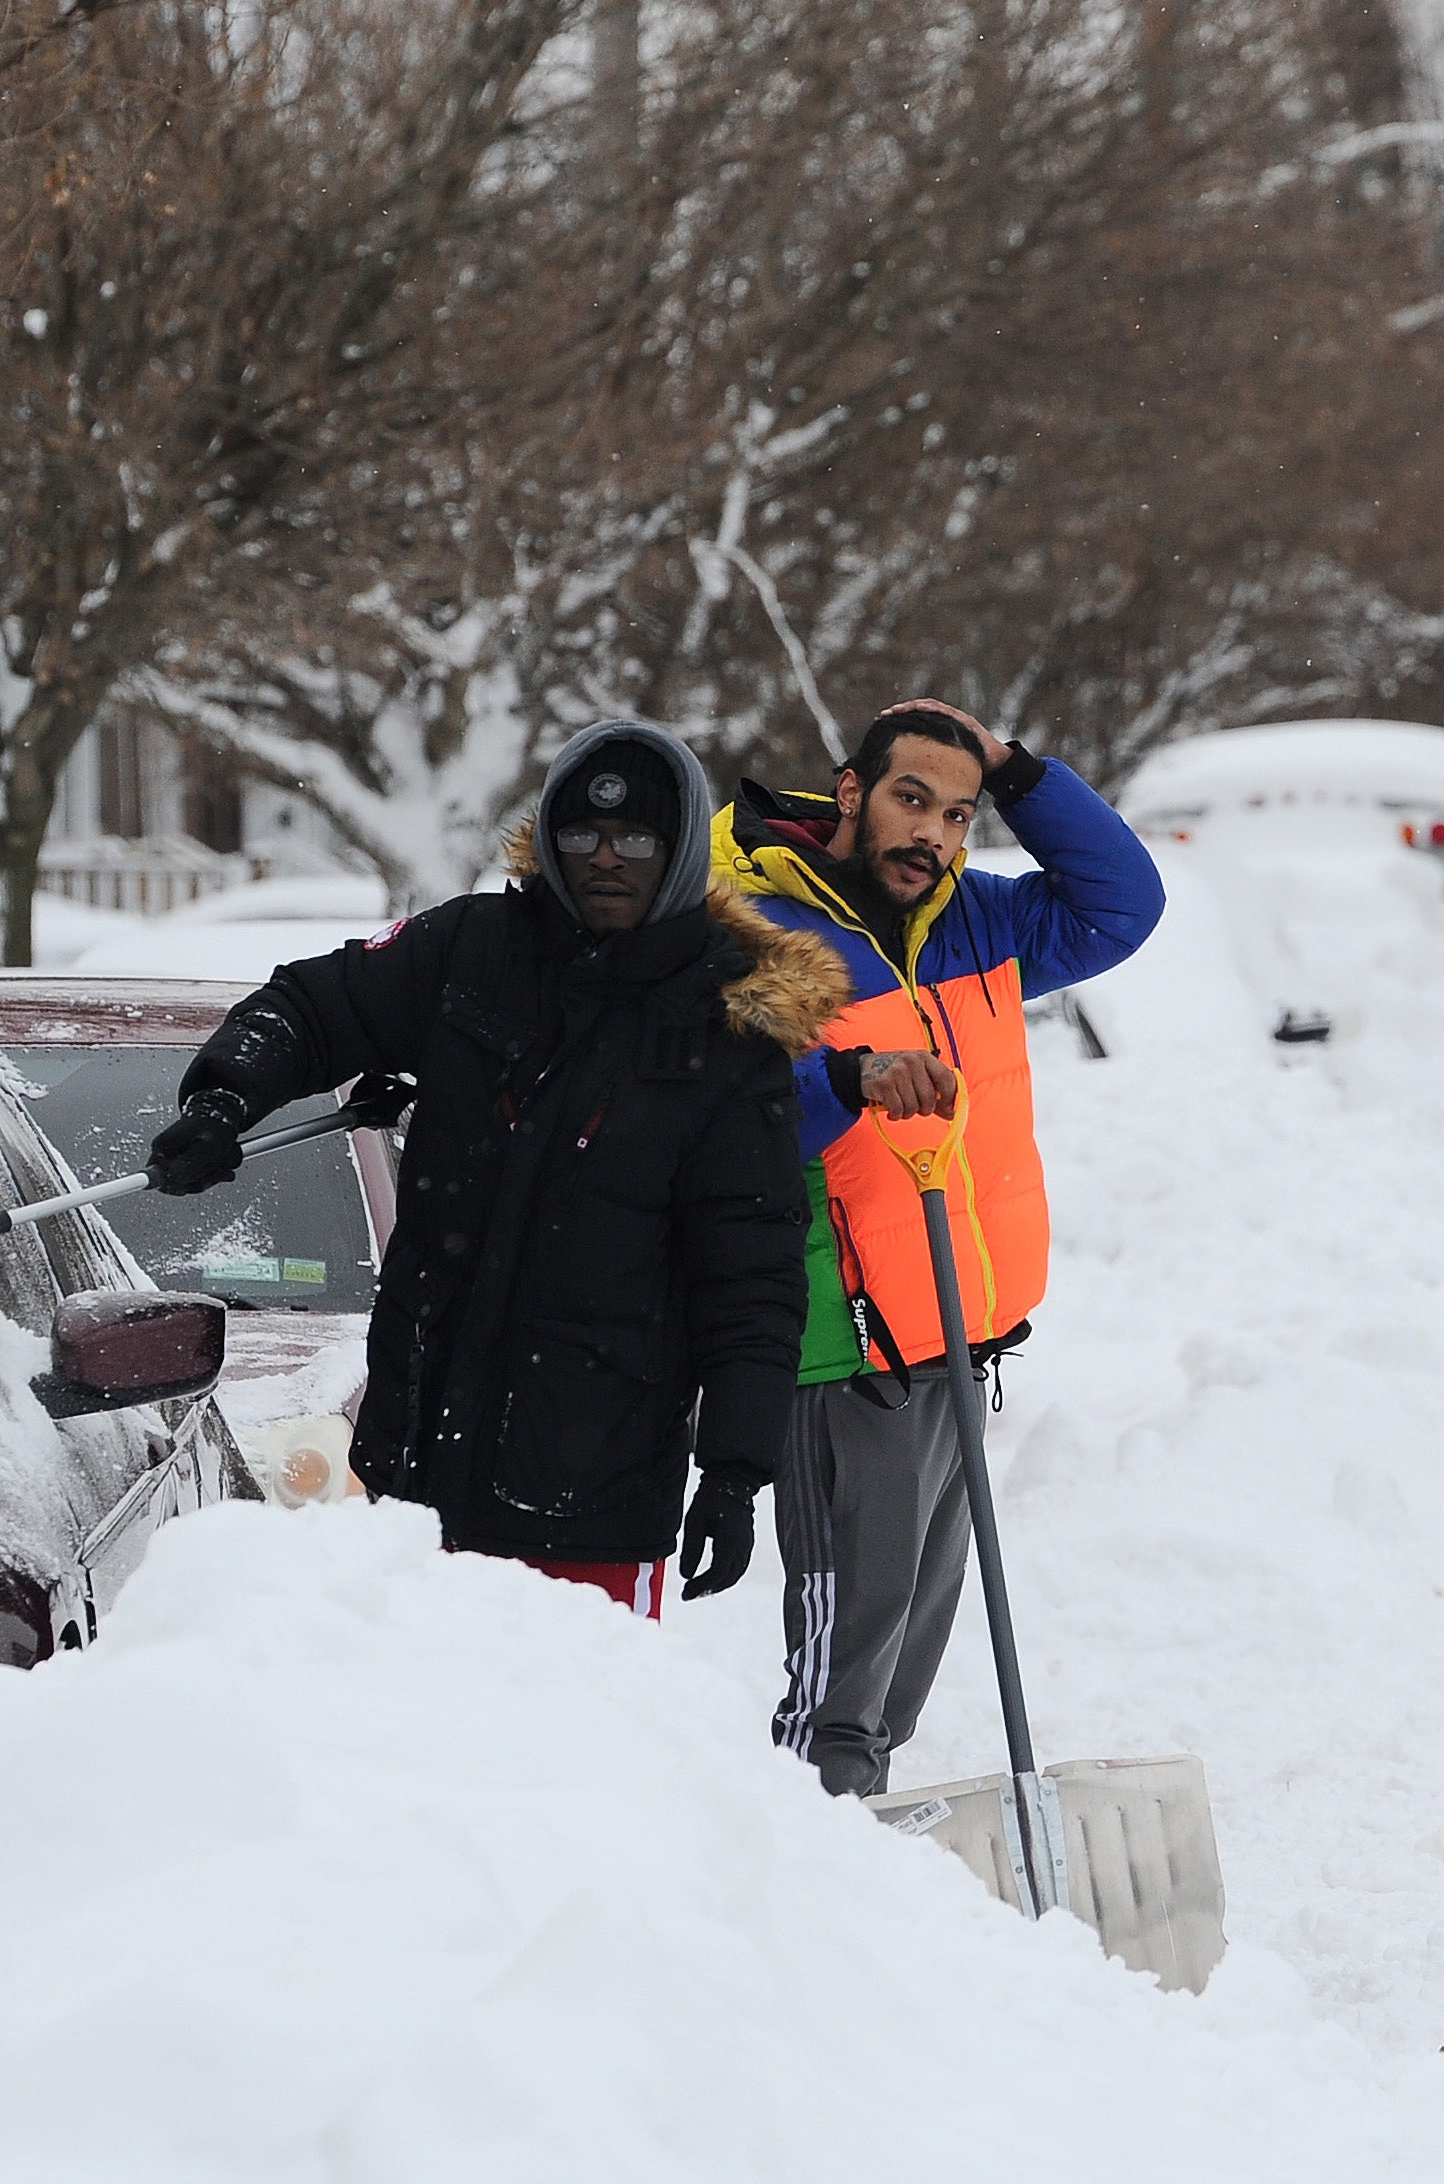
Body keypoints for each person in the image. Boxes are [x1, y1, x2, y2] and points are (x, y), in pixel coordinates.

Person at [144, 719, 849, 1613]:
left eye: (636, 839)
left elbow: (750, 1273)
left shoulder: (726, 1029)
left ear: (675, 854)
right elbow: (312, 1006)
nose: (605, 857)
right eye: (581, 835)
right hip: (411, 1471)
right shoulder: (471, 949)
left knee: (566, 1742)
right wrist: (223, 1102)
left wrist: (735, 1472)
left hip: (593, 1486)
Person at [719, 699, 1163, 1797]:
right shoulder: (760, 935)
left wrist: (1015, 771)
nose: (931, 831)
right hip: (849, 1348)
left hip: (956, 1337)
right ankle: (794, 1861)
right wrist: (846, 1082)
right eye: (911, 797)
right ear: (849, 790)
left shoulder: (976, 921)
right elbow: (736, 1126)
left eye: (957, 813)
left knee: (901, 1663)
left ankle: (851, 1856)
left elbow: (1122, 906)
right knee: (838, 1678)